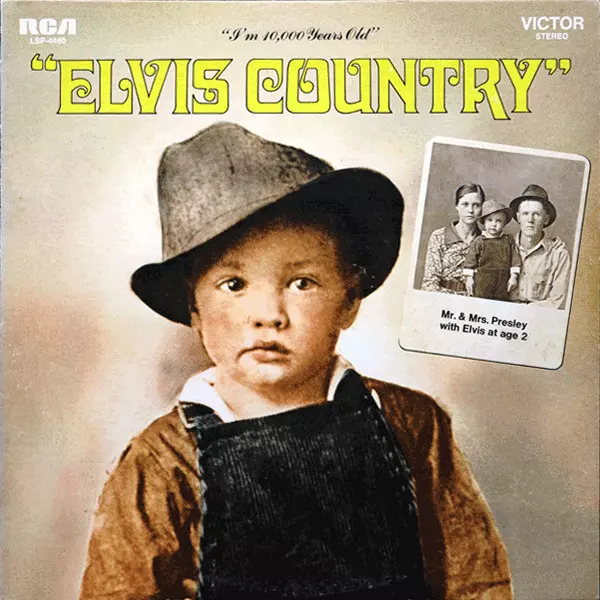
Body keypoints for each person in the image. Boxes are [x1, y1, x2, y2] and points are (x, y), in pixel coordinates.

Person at [79, 123, 512, 600]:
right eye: (234, 285)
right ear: (194, 308)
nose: (269, 315)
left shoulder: (412, 425)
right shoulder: (162, 463)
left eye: (302, 283)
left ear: (349, 301)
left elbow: (477, 582)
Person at [509, 184, 571, 309]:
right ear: (518, 217)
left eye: (536, 214)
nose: (530, 220)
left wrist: (524, 311)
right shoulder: (503, 246)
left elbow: (556, 301)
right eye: (525, 213)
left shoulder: (558, 254)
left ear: (546, 219)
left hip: (538, 316)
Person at [422, 184, 484, 294]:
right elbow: (429, 283)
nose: (470, 210)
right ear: (457, 206)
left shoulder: (486, 241)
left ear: (482, 208)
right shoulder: (439, 236)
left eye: (476, 205)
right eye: (465, 204)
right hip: (441, 298)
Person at [463, 200, 521, 301]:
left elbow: (515, 259)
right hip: (482, 282)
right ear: (484, 222)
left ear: (504, 224)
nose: (494, 224)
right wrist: (469, 278)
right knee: (481, 303)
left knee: (500, 303)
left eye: (498, 221)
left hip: (502, 281)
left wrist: (514, 276)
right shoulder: (479, 241)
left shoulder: (508, 240)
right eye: (490, 220)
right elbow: (470, 261)